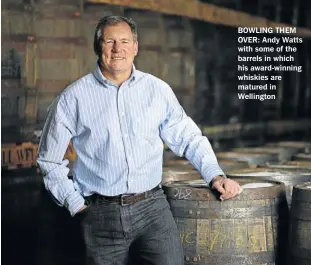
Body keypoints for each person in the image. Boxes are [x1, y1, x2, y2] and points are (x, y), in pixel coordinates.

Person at [37, 15, 241, 265]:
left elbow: (188, 138)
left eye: (124, 41)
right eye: (109, 41)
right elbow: (48, 160)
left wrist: (215, 175)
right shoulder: (72, 98)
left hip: (153, 208)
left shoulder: (157, 90)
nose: (117, 49)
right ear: (97, 46)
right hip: (101, 213)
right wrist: (76, 205)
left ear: (136, 47)